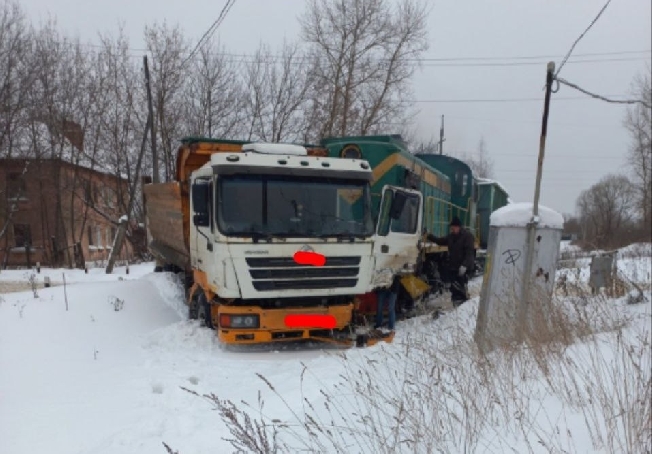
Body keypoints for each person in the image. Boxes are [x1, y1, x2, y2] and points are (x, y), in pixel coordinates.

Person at [426, 216, 475, 306]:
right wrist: (429, 236)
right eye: (451, 228)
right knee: (454, 287)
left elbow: (469, 253)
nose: (452, 230)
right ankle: (456, 304)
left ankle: (463, 305)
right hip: (454, 266)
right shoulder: (451, 237)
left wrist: (464, 265)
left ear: (458, 227)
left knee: (461, 285)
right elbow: (440, 241)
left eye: (453, 228)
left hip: (464, 267)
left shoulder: (467, 236)